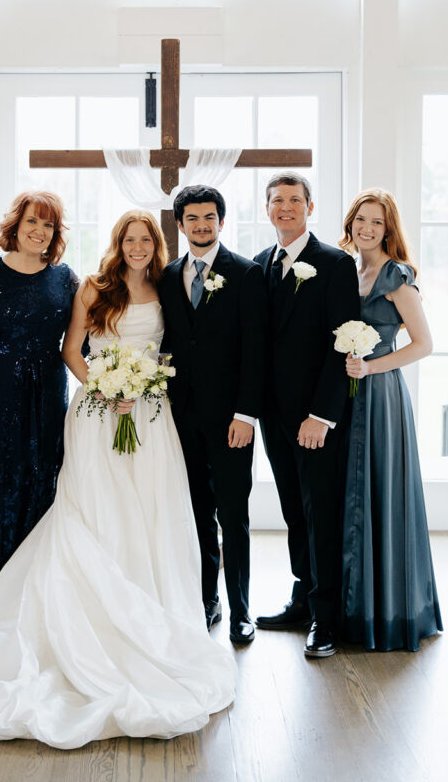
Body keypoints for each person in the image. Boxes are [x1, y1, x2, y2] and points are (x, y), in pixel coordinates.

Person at [0, 210, 235, 746]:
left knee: (150, 514)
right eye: (128, 239)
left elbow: (177, 348)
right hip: (89, 410)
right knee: (92, 510)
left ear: (156, 244)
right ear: (117, 243)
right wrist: (106, 386)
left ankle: (151, 613)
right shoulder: (87, 286)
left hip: (150, 418)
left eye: (144, 239)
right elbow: (70, 350)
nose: (136, 246)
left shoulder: (165, 287)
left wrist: (145, 385)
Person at [0, 190, 77, 620]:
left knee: (41, 489)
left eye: (48, 225)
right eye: (32, 222)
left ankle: (35, 607)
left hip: (47, 402)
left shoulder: (66, 279)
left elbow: (85, 340)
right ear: (16, 226)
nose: (39, 231)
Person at [253, 173, 360, 658]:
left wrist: (322, 414)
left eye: (295, 200)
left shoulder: (335, 264)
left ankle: (326, 618)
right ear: (267, 209)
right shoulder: (260, 264)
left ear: (309, 208)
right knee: (294, 510)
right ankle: (302, 597)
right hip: (273, 416)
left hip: (315, 418)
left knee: (322, 513)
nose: (286, 207)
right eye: (277, 200)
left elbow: (345, 341)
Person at [157, 185, 268, 645]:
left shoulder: (246, 273)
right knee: (197, 513)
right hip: (181, 418)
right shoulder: (167, 276)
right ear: (180, 224)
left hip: (230, 420)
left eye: (209, 218)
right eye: (193, 218)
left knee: (233, 515)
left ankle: (241, 610)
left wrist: (246, 415)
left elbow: (256, 350)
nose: (201, 226)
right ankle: (208, 601)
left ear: (221, 221)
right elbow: (168, 342)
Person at [339, 188, 442, 651]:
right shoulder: (346, 270)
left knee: (379, 491)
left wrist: (371, 367)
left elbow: (423, 344)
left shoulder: (397, 276)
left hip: (380, 396)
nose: (367, 228)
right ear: (350, 223)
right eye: (361, 219)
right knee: (349, 493)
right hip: (345, 395)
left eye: (377, 222)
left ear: (388, 229)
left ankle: (386, 612)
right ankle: (348, 607)